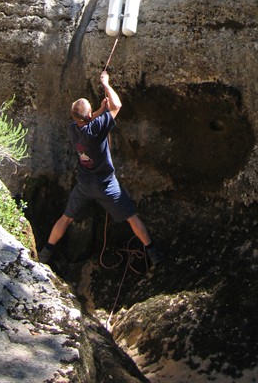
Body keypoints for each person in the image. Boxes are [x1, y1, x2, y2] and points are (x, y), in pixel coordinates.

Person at [38, 71, 164, 269]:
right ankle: (152, 251)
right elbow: (118, 105)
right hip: (106, 184)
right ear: (88, 116)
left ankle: (46, 252)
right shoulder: (96, 129)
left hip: (84, 184)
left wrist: (99, 110)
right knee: (131, 217)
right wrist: (106, 84)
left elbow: (87, 119)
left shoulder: (74, 128)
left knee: (66, 218)